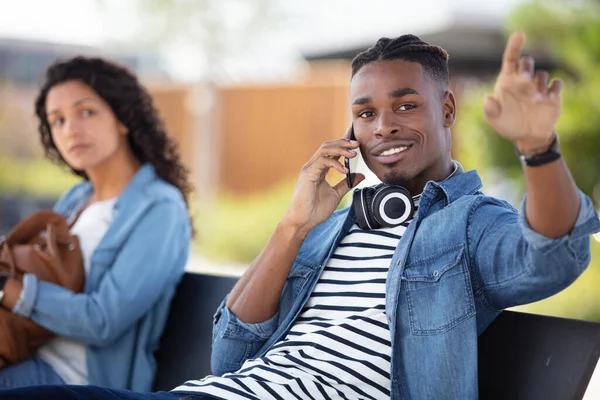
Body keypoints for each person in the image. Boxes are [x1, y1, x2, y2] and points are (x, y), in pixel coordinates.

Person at [1, 31, 599, 400]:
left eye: (406, 105)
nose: (383, 125)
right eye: (364, 114)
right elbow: (229, 354)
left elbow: (552, 254)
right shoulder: (329, 229)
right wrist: (293, 226)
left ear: (447, 108)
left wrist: (536, 149)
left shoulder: (467, 222)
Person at [0, 57, 193, 392]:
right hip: (26, 354)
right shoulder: (76, 198)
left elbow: (103, 321)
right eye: (57, 120)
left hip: (81, 382)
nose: (70, 129)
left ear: (122, 118)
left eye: (86, 112)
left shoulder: (160, 208)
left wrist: (11, 291)